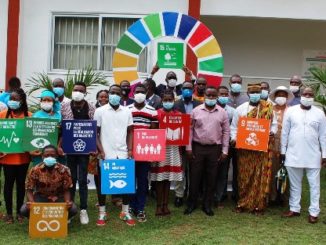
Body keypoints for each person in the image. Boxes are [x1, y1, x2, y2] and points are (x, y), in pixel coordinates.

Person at [281, 87, 326, 224]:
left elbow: (323, 136)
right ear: (300, 95)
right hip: (293, 154)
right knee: (295, 185)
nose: (308, 96)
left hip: (313, 156)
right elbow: (285, 132)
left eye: (310, 94)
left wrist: (324, 154)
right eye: (305, 94)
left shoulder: (320, 114)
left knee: (314, 185)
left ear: (313, 97)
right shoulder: (290, 111)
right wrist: (283, 151)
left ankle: (314, 212)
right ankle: (294, 209)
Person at [230, 83, 277, 214]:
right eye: (253, 92)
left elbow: (274, 124)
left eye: (258, 92)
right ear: (248, 94)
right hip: (245, 150)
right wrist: (234, 138)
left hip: (262, 149)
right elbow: (234, 127)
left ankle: (259, 205)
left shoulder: (268, 108)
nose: (256, 95)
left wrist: (272, 131)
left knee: (260, 176)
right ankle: (243, 203)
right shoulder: (240, 109)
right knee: (244, 176)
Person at [184, 86, 230, 216]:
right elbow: (190, 130)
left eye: (213, 96)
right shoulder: (196, 111)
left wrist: (225, 151)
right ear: (204, 96)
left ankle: (207, 205)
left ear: (217, 97)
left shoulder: (222, 113)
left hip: (214, 149)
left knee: (211, 178)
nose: (210, 98)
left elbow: (226, 132)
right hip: (198, 147)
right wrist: (188, 148)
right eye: (208, 95)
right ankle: (191, 204)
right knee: (194, 176)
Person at [94, 84, 135, 226]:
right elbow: (95, 133)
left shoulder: (127, 111)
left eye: (117, 93)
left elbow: (130, 131)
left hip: (123, 153)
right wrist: (101, 150)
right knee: (102, 185)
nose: (115, 95)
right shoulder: (100, 111)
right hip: (106, 154)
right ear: (108, 93)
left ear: (122, 94)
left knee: (126, 184)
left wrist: (130, 149)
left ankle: (125, 211)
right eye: (112, 92)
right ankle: (102, 212)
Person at [60, 82, 96, 225]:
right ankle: (71, 209)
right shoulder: (65, 106)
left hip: (85, 150)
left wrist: (94, 146)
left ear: (85, 93)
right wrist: (59, 145)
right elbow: (62, 128)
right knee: (71, 179)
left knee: (82, 180)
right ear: (72, 91)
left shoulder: (91, 107)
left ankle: (83, 210)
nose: (78, 92)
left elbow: (94, 130)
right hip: (69, 148)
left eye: (81, 90)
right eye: (75, 90)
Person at [127, 84, 158, 222]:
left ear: (146, 93)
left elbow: (154, 133)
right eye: (137, 91)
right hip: (129, 151)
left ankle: (140, 208)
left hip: (145, 153)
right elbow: (125, 131)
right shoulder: (126, 110)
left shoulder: (152, 111)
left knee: (143, 181)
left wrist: (152, 155)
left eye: (142, 92)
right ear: (133, 93)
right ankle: (130, 205)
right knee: (130, 180)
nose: (139, 94)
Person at [0, 88, 32, 224]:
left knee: (20, 185)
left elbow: (33, 136)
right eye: (10, 99)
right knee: (8, 185)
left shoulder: (30, 116)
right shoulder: (2, 115)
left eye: (15, 99)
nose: (12, 101)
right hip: (7, 158)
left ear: (22, 101)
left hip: (23, 158)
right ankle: (8, 213)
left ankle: (19, 212)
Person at [20, 145, 77, 219]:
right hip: (41, 197)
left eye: (52, 155)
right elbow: (29, 188)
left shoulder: (64, 170)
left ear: (56, 156)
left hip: (59, 197)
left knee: (73, 209)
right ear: (42, 157)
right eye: (46, 155)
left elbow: (66, 189)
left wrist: (67, 201)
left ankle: (61, 219)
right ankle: (37, 218)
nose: (49, 157)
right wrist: (32, 202)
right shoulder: (35, 170)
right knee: (24, 210)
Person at [151, 90, 183, 216]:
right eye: (165, 100)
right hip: (160, 148)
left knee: (169, 178)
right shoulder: (156, 114)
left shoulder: (179, 114)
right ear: (161, 100)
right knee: (160, 178)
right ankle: (158, 206)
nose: (168, 102)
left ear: (174, 100)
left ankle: (165, 205)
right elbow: (153, 132)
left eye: (170, 100)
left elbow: (182, 132)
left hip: (174, 149)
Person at [173, 81, 201, 207]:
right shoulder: (175, 104)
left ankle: (192, 194)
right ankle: (179, 195)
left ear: (193, 89)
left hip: (195, 142)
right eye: (185, 88)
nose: (187, 90)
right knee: (180, 170)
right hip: (178, 141)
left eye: (189, 88)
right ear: (181, 90)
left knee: (194, 170)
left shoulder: (199, 104)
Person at [268, 86, 294, 206]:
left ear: (287, 97)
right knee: (272, 170)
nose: (281, 97)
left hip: (288, 144)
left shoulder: (292, 111)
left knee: (285, 170)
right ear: (275, 97)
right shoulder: (269, 109)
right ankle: (272, 196)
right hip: (272, 144)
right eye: (279, 95)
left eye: (284, 95)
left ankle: (284, 197)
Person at [214, 86, 236, 207]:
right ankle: (210, 195)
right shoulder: (211, 108)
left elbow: (234, 128)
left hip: (227, 145)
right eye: (221, 94)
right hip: (213, 145)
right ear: (217, 95)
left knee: (223, 172)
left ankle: (220, 196)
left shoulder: (232, 111)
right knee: (212, 172)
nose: (223, 96)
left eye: (225, 94)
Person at [88, 90, 109, 208]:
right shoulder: (92, 110)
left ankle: (114, 197)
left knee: (110, 173)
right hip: (95, 147)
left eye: (106, 96)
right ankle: (100, 198)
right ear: (97, 98)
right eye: (101, 96)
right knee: (97, 174)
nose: (104, 99)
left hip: (109, 146)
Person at [30, 90, 62, 166]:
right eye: (44, 100)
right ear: (41, 101)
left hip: (54, 149)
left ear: (53, 102)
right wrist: (31, 149)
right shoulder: (35, 115)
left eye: (49, 100)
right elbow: (30, 133)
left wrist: (59, 128)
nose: (46, 102)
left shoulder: (58, 115)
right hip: (39, 149)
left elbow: (61, 133)